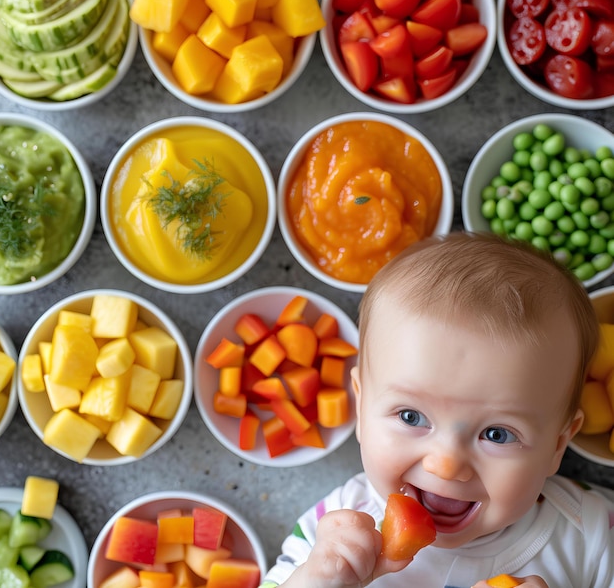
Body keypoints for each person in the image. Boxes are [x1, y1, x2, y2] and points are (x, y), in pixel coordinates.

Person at [259, 232, 614, 588]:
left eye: (497, 434)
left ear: (557, 444)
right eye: (411, 417)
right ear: (361, 406)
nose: (445, 465)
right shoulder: (337, 533)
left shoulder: (594, 536)